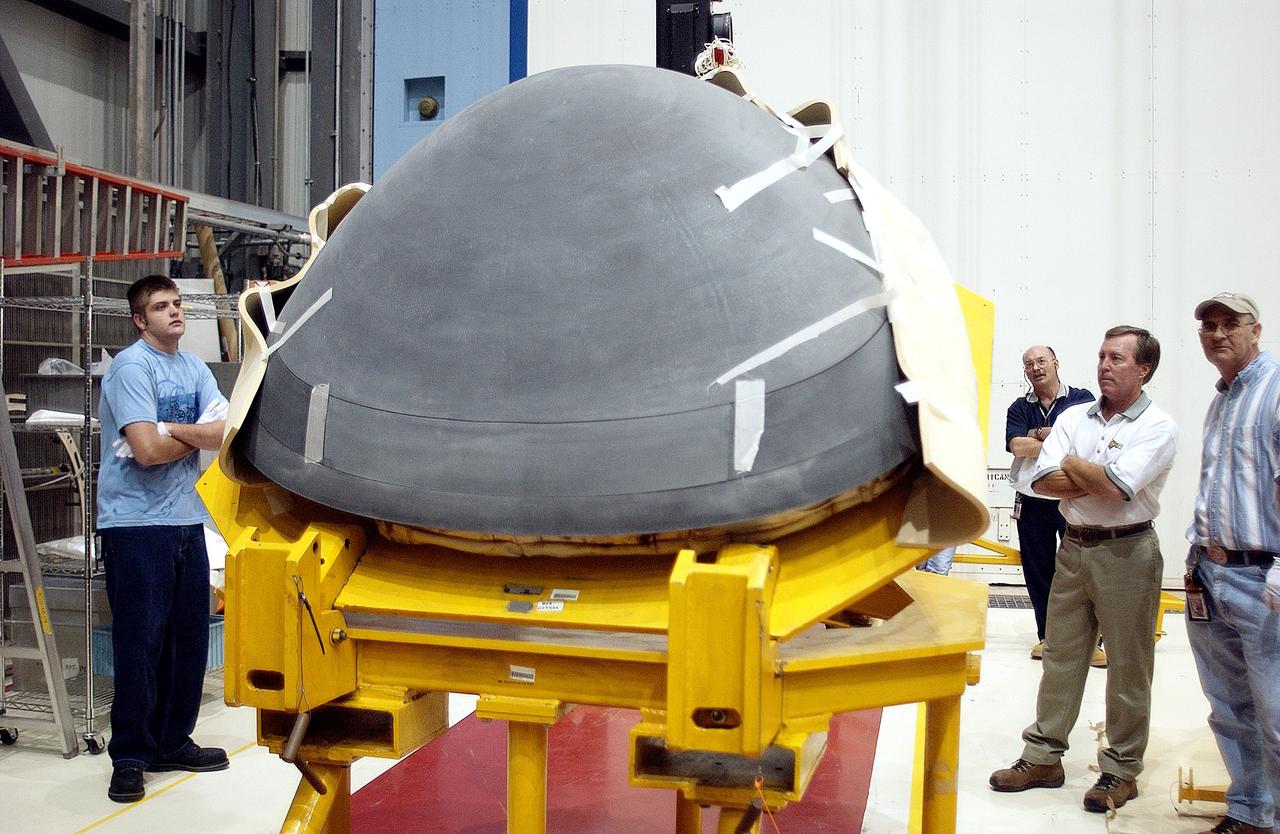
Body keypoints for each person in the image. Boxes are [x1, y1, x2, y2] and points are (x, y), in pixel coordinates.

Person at [989, 325, 1177, 813]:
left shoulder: (1157, 426)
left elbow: (1118, 488)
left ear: (1144, 369)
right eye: (1101, 356)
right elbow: (1041, 482)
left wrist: (1069, 459)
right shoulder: (1077, 415)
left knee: (1128, 666)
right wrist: (1089, 476)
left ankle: (1119, 769)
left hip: (1127, 553)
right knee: (1061, 655)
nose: (1105, 365)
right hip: (1073, 548)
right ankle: (1043, 756)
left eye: (1117, 358)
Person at [97, 275, 230, 803]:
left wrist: (170, 429)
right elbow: (145, 452)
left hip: (183, 521)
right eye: (161, 306)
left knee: (187, 639)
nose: (175, 312)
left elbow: (226, 433)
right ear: (139, 319)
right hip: (134, 524)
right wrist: (187, 432)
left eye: (177, 304)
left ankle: (173, 739)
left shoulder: (194, 367)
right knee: (140, 641)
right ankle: (130, 754)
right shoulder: (132, 367)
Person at [1184, 292, 1280, 834]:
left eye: (1230, 324)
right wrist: (1197, 553)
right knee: (1229, 709)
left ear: (1256, 329)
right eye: (1208, 326)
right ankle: (1249, 813)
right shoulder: (1221, 399)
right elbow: (1218, 487)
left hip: (1263, 578)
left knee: (1277, 719)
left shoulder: (1275, 389)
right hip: (1213, 573)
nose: (1218, 333)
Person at [1005, 345, 1095, 660]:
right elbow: (1018, 446)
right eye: (1029, 364)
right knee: (1038, 570)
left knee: (1082, 569)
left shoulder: (1082, 399)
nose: (1036, 367)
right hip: (1031, 500)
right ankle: (1048, 638)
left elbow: (1083, 442)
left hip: (1072, 496)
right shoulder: (1018, 407)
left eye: (1041, 361)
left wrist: (1038, 434)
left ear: (1056, 363)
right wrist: (1056, 436)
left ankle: (1090, 642)